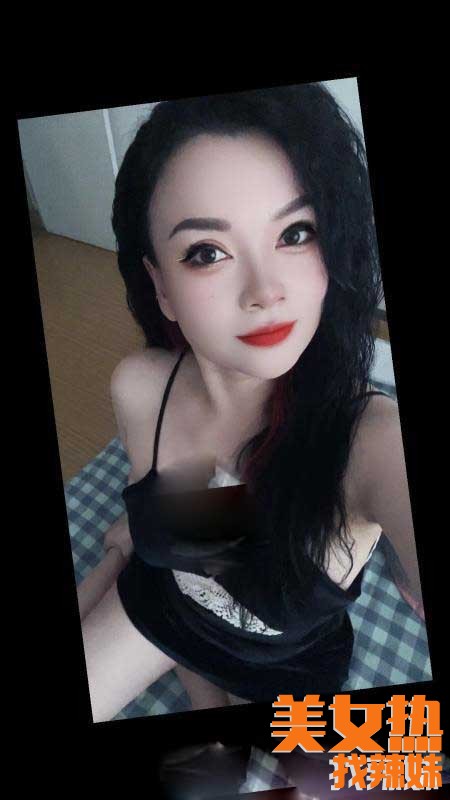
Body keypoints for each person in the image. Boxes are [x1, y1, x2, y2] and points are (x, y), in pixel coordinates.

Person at [77, 83, 423, 723]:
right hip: (166, 608)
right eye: (207, 252)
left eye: (296, 233)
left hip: (286, 666)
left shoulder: (370, 441)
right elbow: (178, 548)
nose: (265, 291)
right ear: (161, 285)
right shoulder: (140, 388)